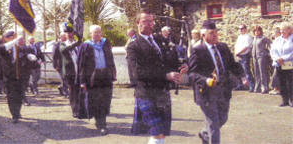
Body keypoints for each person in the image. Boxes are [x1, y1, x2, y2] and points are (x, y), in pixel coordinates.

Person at [126, 9, 184, 144]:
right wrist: (165, 76)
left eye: (151, 21)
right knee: (157, 132)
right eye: (145, 21)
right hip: (146, 93)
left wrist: (180, 67)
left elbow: (170, 60)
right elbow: (137, 73)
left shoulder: (159, 40)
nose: (149, 24)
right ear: (138, 23)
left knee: (161, 133)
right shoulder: (133, 46)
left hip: (162, 93)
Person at [188, 20, 244, 144]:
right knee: (213, 125)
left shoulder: (223, 47)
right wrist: (205, 80)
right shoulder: (198, 50)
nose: (215, 35)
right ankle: (210, 134)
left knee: (222, 119)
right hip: (207, 93)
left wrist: (242, 75)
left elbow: (232, 64)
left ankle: (205, 133)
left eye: (216, 32)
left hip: (223, 91)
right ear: (204, 35)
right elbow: (191, 74)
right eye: (211, 33)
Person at [78, 25, 116, 135]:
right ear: (90, 34)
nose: (97, 34)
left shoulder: (106, 43)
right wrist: (82, 81)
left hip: (105, 76)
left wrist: (113, 73)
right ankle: (101, 124)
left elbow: (111, 59)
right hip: (92, 78)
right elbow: (81, 65)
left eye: (99, 32)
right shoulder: (85, 46)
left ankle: (102, 122)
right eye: (95, 32)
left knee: (105, 100)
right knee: (96, 101)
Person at [0, 31, 37, 123]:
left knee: (19, 95)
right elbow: (3, 49)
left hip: (19, 76)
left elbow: (24, 55)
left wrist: (29, 56)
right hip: (9, 76)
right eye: (11, 37)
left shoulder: (19, 48)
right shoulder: (3, 47)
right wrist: (14, 41)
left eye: (14, 37)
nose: (13, 38)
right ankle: (14, 114)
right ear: (6, 38)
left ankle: (17, 111)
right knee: (11, 96)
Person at [59, 25, 82, 117]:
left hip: (79, 71)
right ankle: (74, 110)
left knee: (79, 91)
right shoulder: (63, 44)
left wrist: (78, 37)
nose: (69, 35)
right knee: (72, 92)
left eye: (71, 33)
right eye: (67, 33)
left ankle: (80, 109)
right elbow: (65, 50)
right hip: (70, 73)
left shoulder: (77, 44)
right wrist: (76, 43)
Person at [270, 22, 293, 107]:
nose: (282, 32)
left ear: (289, 30)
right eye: (281, 30)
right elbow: (272, 50)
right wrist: (277, 58)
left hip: (289, 64)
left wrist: (284, 58)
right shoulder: (278, 39)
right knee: (281, 83)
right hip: (279, 64)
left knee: (290, 83)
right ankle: (284, 100)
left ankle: (292, 100)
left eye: (284, 30)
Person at [234, 24, 255, 92]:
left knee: (247, 71)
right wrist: (236, 53)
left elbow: (246, 47)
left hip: (244, 56)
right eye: (239, 29)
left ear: (245, 29)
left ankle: (252, 86)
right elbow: (236, 46)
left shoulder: (248, 37)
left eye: (242, 28)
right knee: (239, 71)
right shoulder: (239, 37)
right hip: (238, 56)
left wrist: (239, 53)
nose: (240, 30)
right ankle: (240, 85)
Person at [252, 26, 271, 94]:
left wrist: (268, 53)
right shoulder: (254, 38)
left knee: (262, 72)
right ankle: (257, 87)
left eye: (258, 31)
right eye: (255, 31)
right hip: (255, 57)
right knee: (256, 73)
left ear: (260, 31)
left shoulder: (263, 38)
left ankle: (264, 87)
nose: (256, 32)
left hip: (262, 57)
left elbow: (270, 44)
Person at [269, 27, 281, 95]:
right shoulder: (276, 40)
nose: (274, 34)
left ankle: (277, 89)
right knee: (276, 75)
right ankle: (276, 88)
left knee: (276, 75)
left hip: (279, 60)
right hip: (275, 60)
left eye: (275, 33)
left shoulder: (280, 40)